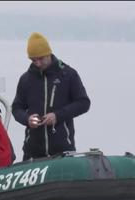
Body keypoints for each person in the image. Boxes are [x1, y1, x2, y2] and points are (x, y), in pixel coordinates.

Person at [12, 32, 91, 160]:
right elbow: (16, 108)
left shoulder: (68, 75)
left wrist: (57, 116)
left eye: (41, 58)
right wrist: (27, 119)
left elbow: (83, 103)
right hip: (32, 151)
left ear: (49, 53)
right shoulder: (25, 79)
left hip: (63, 150)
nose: (37, 63)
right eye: (33, 60)